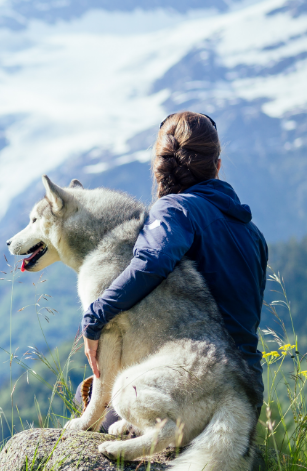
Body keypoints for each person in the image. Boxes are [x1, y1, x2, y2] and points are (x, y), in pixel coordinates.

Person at [81, 111, 268, 430]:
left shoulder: (174, 210)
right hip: (245, 394)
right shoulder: (253, 235)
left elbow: (151, 263)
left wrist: (94, 317)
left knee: (97, 406)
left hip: (193, 385)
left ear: (159, 169)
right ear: (218, 166)